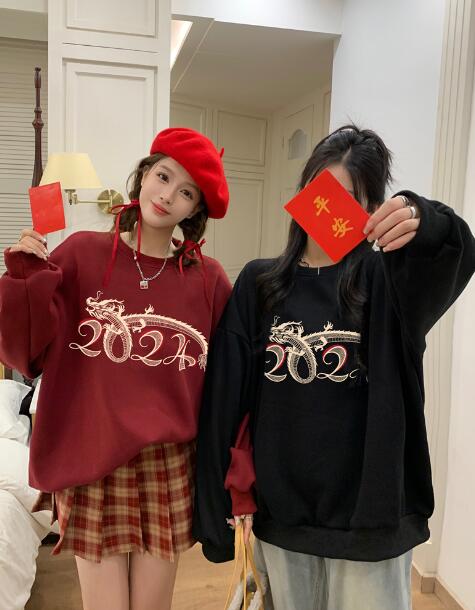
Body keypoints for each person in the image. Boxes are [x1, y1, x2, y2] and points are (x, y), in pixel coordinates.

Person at [193, 124, 475, 610]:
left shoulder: (389, 283)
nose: (328, 206)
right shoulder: (260, 284)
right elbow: (224, 400)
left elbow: (455, 251)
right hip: (283, 515)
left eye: (350, 198)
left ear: (370, 209)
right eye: (319, 189)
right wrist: (215, 510)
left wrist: (419, 216)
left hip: (369, 521)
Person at [0, 127, 232, 610]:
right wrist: (25, 277)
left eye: (186, 192)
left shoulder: (207, 280)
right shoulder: (81, 253)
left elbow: (231, 379)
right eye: (163, 176)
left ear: (195, 210)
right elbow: (26, 354)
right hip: (90, 458)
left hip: (168, 465)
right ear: (144, 174)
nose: (167, 195)